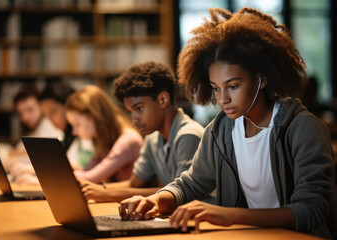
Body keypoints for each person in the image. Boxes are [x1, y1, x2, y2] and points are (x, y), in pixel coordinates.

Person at [119, 8, 337, 239]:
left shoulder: (302, 128)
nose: (222, 99)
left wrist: (229, 215)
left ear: (261, 79)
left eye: (233, 86)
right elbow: (191, 183)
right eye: (215, 88)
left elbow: (311, 210)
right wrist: (155, 200)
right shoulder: (220, 130)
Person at [80, 61, 204, 202]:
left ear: (163, 99)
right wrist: (94, 189)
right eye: (130, 112)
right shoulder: (152, 139)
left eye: (139, 108)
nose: (134, 119)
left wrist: (105, 194)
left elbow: (180, 192)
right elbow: (134, 184)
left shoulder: (188, 135)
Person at [65, 84, 143, 184]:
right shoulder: (101, 140)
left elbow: (91, 177)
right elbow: (87, 170)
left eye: (77, 124)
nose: (74, 132)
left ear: (94, 117)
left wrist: (58, 174)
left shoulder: (128, 140)